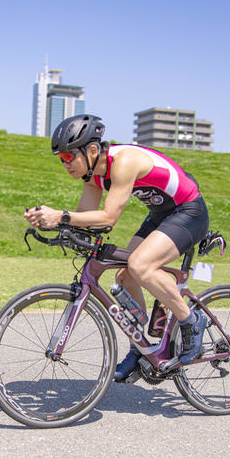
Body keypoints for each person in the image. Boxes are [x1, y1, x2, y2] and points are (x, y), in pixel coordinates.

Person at [24, 114, 209, 381]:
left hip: (188, 212)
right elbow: (84, 217)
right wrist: (48, 223)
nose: (64, 165)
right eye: (60, 160)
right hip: (161, 213)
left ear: (91, 150)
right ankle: (144, 346)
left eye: (67, 157)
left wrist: (61, 216)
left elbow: (108, 218)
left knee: (139, 265)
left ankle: (191, 321)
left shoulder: (124, 162)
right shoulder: (92, 177)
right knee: (125, 275)